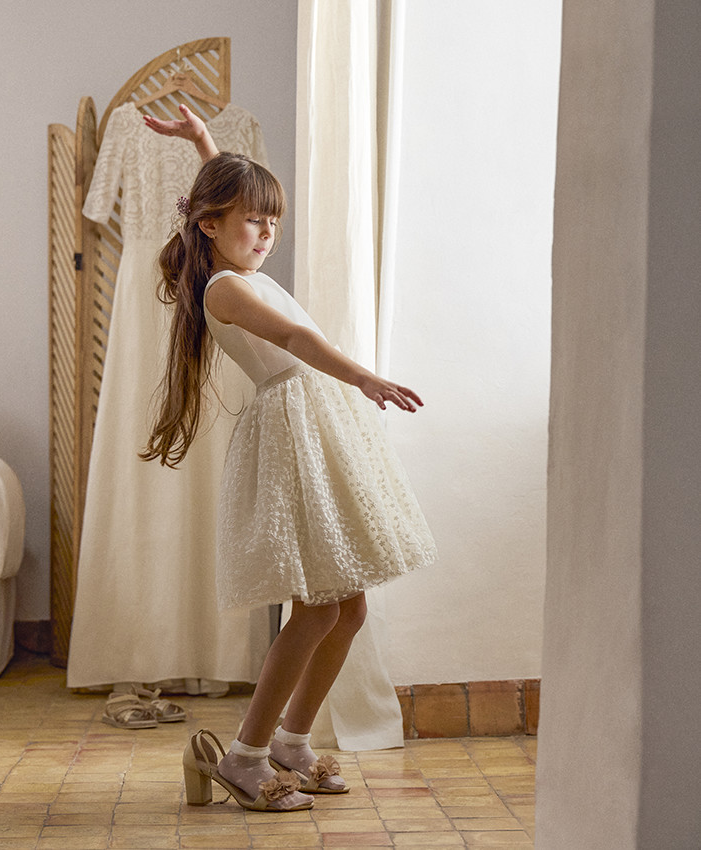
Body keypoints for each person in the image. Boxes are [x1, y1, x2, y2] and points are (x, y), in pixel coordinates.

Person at [141, 104, 437, 812]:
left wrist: (202, 142)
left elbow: (223, 199)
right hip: (294, 434)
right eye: (252, 221)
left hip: (318, 424)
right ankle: (245, 755)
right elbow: (298, 343)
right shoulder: (226, 287)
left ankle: (292, 741)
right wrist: (364, 376)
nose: (267, 234)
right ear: (209, 225)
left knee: (350, 608)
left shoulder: (234, 259)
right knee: (315, 608)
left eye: (274, 221)